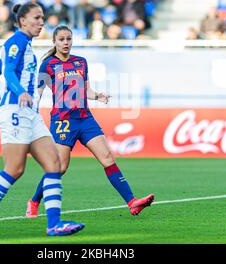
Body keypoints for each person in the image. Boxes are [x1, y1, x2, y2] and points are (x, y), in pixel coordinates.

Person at [0, 2, 84, 238]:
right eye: (37, 18)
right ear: (23, 21)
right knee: (14, 169)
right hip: (16, 111)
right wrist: (15, 95)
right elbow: (7, 72)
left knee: (55, 165)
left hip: (29, 113)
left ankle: (54, 224)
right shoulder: (16, 42)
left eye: (42, 18)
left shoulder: (27, 46)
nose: (42, 22)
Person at [27, 25, 154, 217]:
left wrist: (98, 95)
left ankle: (132, 202)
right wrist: (32, 115)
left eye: (68, 39)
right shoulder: (48, 65)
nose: (66, 43)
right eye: (61, 39)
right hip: (63, 121)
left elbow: (86, 90)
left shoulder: (81, 62)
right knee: (59, 168)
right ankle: (34, 201)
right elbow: (38, 92)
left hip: (85, 118)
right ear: (54, 42)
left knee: (107, 158)